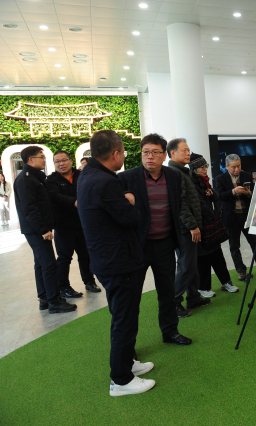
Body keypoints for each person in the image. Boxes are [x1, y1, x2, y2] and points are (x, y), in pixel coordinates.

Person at [77, 130, 154, 397]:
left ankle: (127, 363)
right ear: (116, 153)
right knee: (124, 319)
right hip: (118, 261)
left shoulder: (88, 173)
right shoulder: (104, 181)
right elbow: (129, 218)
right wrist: (130, 201)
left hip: (107, 258)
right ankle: (121, 380)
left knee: (123, 315)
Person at [118, 134, 193, 345]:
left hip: (165, 244)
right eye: (146, 152)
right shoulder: (126, 178)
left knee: (167, 292)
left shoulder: (174, 176)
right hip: (137, 246)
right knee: (131, 297)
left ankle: (170, 331)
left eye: (155, 152)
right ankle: (128, 345)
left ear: (164, 155)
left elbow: (177, 206)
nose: (149, 156)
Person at [13, 146, 77, 314]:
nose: (44, 160)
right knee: (49, 264)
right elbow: (30, 209)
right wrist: (43, 229)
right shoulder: (25, 180)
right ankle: (54, 301)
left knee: (41, 264)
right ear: (30, 160)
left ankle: (45, 298)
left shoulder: (35, 177)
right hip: (36, 230)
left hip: (39, 228)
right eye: (41, 157)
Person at [46, 150, 100, 297]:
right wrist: (75, 202)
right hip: (63, 225)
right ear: (54, 164)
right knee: (64, 258)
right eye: (57, 161)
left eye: (64, 160)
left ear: (70, 161)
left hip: (83, 223)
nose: (61, 164)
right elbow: (55, 196)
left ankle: (89, 281)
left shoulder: (81, 175)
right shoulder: (51, 180)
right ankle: (63, 287)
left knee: (85, 255)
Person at [166, 138, 211, 317]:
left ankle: (193, 297)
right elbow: (180, 204)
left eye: (188, 150)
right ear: (172, 153)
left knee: (191, 264)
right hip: (185, 229)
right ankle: (174, 303)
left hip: (189, 227)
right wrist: (193, 226)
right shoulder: (174, 173)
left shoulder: (183, 172)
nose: (188, 153)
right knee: (186, 266)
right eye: (184, 150)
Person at [189, 153, 238, 297]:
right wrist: (212, 215)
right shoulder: (190, 182)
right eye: (202, 167)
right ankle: (203, 287)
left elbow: (216, 196)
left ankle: (226, 282)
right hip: (200, 224)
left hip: (210, 223)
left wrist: (211, 194)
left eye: (206, 166)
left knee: (217, 254)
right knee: (203, 258)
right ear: (194, 168)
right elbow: (198, 204)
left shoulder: (205, 181)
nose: (205, 169)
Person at [215, 154, 256, 280]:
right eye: (233, 167)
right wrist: (234, 191)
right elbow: (220, 195)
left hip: (247, 215)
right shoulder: (220, 178)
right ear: (226, 166)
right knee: (234, 246)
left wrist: (248, 193)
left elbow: (255, 193)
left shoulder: (246, 175)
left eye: (238, 166)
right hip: (231, 217)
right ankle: (241, 270)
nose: (236, 169)